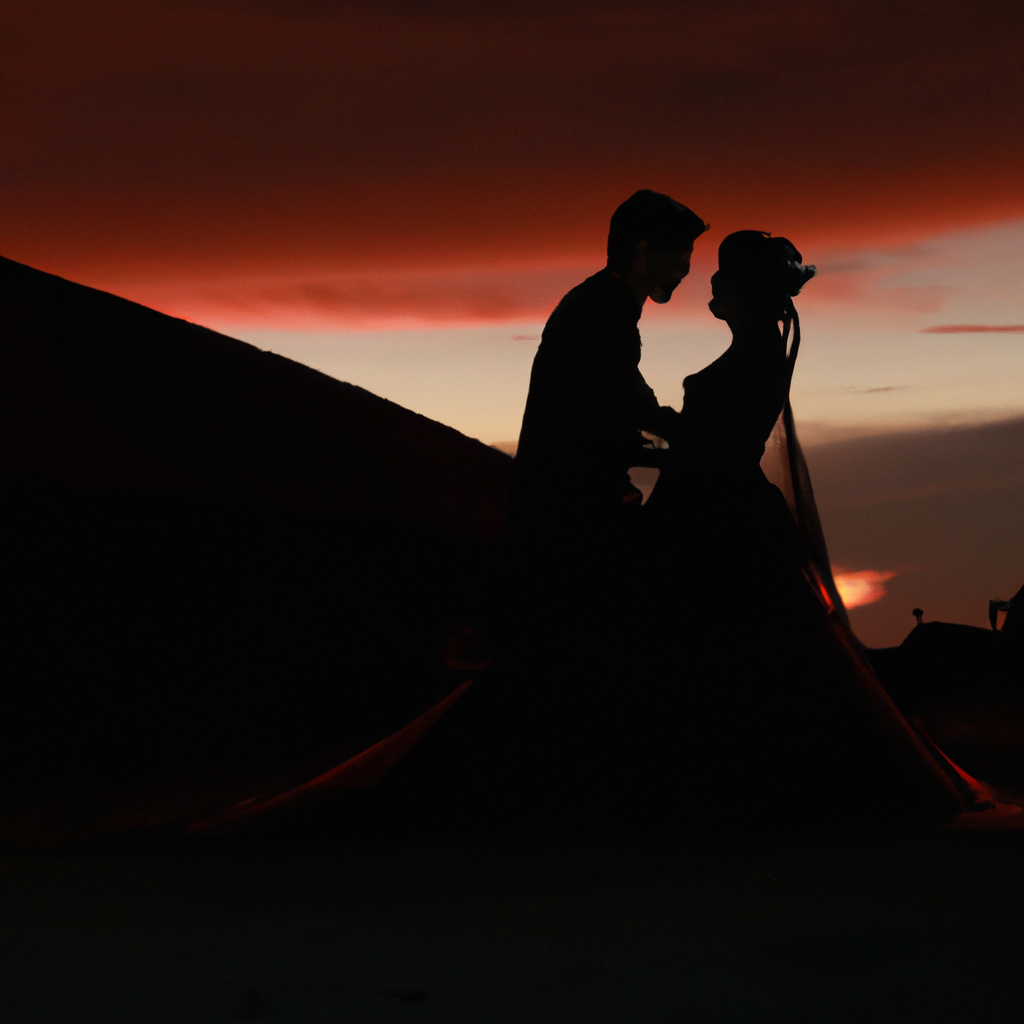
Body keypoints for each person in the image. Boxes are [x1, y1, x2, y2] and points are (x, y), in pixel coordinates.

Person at [507, 189, 709, 550]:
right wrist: (683, 431)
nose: (685, 265)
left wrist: (670, 426)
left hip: (570, 498)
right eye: (677, 250)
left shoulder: (604, 302)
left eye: (688, 252)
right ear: (642, 248)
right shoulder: (604, 310)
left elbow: (625, 387)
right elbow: (620, 397)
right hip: (570, 511)